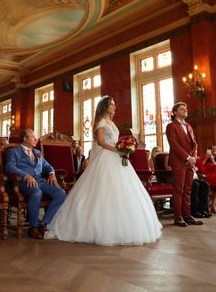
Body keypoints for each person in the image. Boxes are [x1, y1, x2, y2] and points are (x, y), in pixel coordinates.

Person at [45, 96, 162, 245]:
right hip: (107, 156)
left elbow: (114, 139)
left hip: (118, 157)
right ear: (105, 106)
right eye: (111, 105)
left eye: (114, 104)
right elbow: (101, 142)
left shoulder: (111, 122)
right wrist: (117, 150)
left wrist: (123, 149)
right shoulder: (100, 122)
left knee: (123, 191)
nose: (114, 107)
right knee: (104, 189)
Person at [5, 128, 66, 239]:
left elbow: (48, 166)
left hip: (40, 181)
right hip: (23, 182)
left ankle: (44, 223)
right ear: (25, 139)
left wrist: (51, 173)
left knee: (60, 193)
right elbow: (9, 167)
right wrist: (25, 175)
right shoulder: (13, 151)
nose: (36, 139)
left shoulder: (37, 153)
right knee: (36, 193)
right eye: (33, 137)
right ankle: (33, 227)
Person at [164, 102, 204, 227]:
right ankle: (178, 217)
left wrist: (193, 157)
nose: (185, 111)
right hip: (178, 161)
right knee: (179, 190)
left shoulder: (188, 126)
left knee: (188, 190)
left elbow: (195, 144)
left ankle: (187, 215)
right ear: (175, 112)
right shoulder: (171, 126)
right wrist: (187, 157)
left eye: (186, 109)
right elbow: (174, 144)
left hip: (190, 162)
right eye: (182, 109)